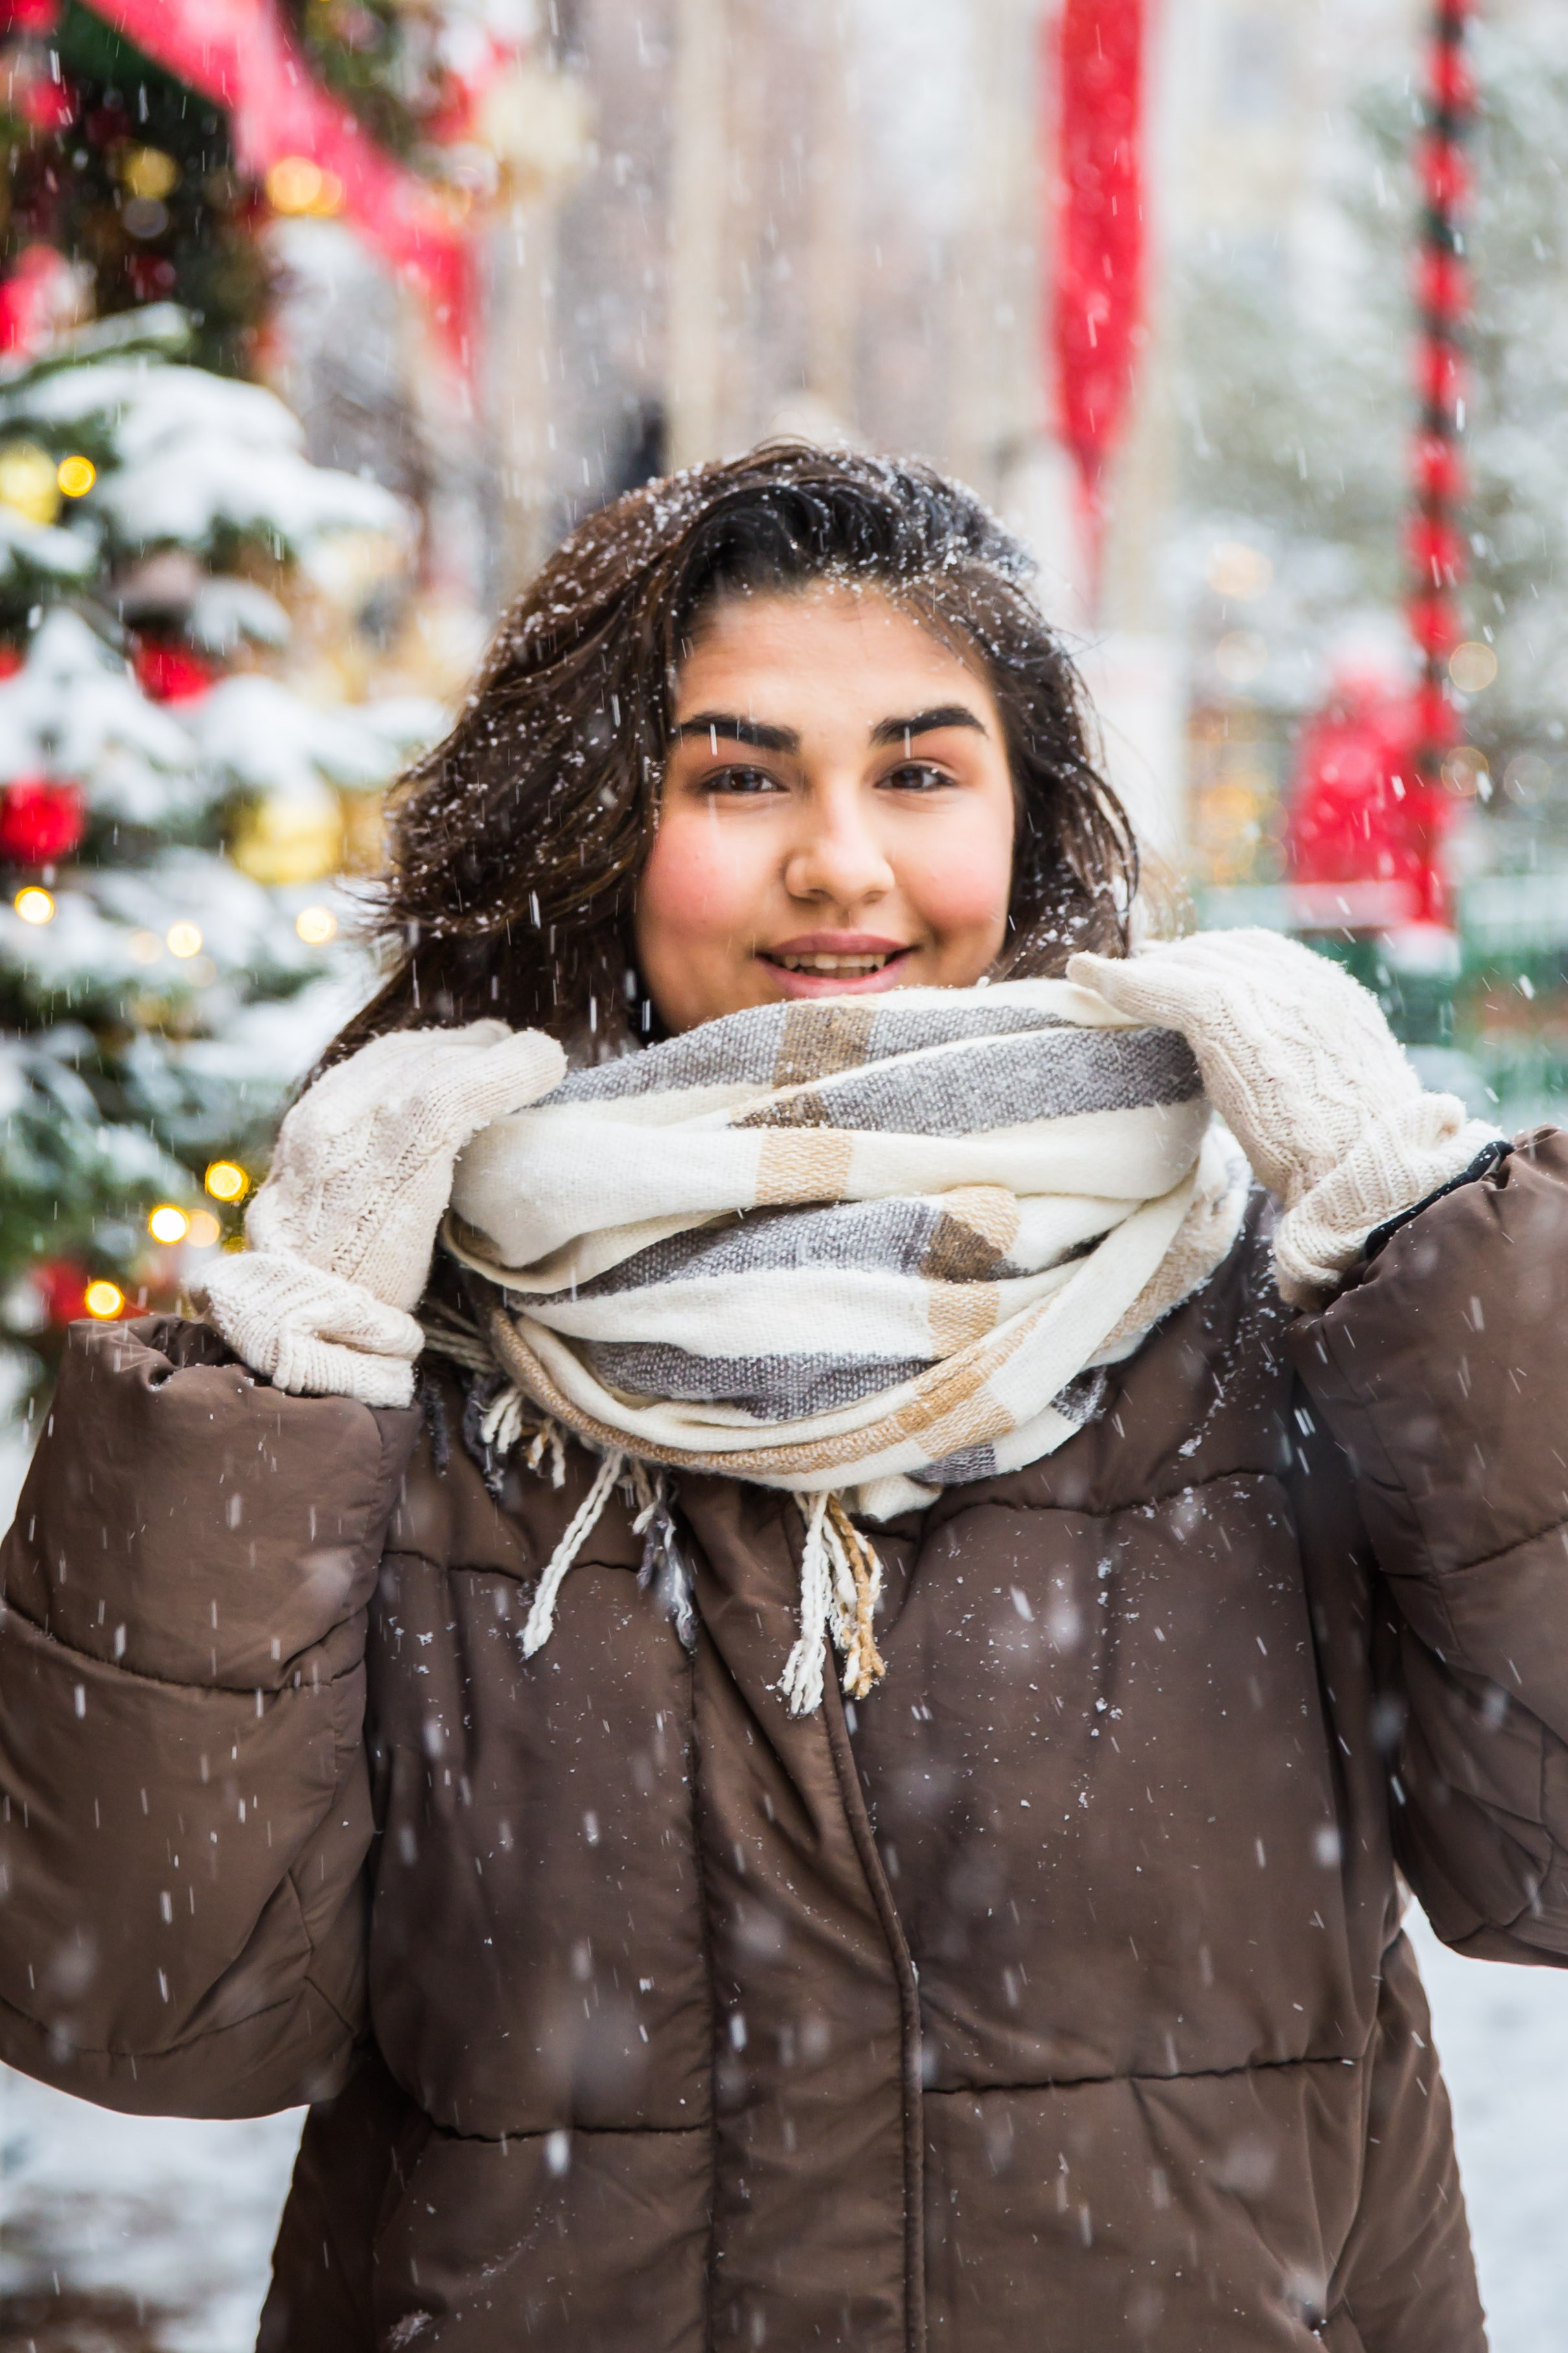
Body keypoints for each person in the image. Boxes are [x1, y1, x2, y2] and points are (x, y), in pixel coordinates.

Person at [1, 444, 1562, 2353]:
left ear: (1026, 818)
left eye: (919, 771)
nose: (843, 858)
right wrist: (293, 1350)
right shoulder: (404, 1359)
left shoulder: (1255, 1311)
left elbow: (1545, 1852)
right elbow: (146, 2013)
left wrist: (1423, 1240)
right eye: (740, 777)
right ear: (594, 821)